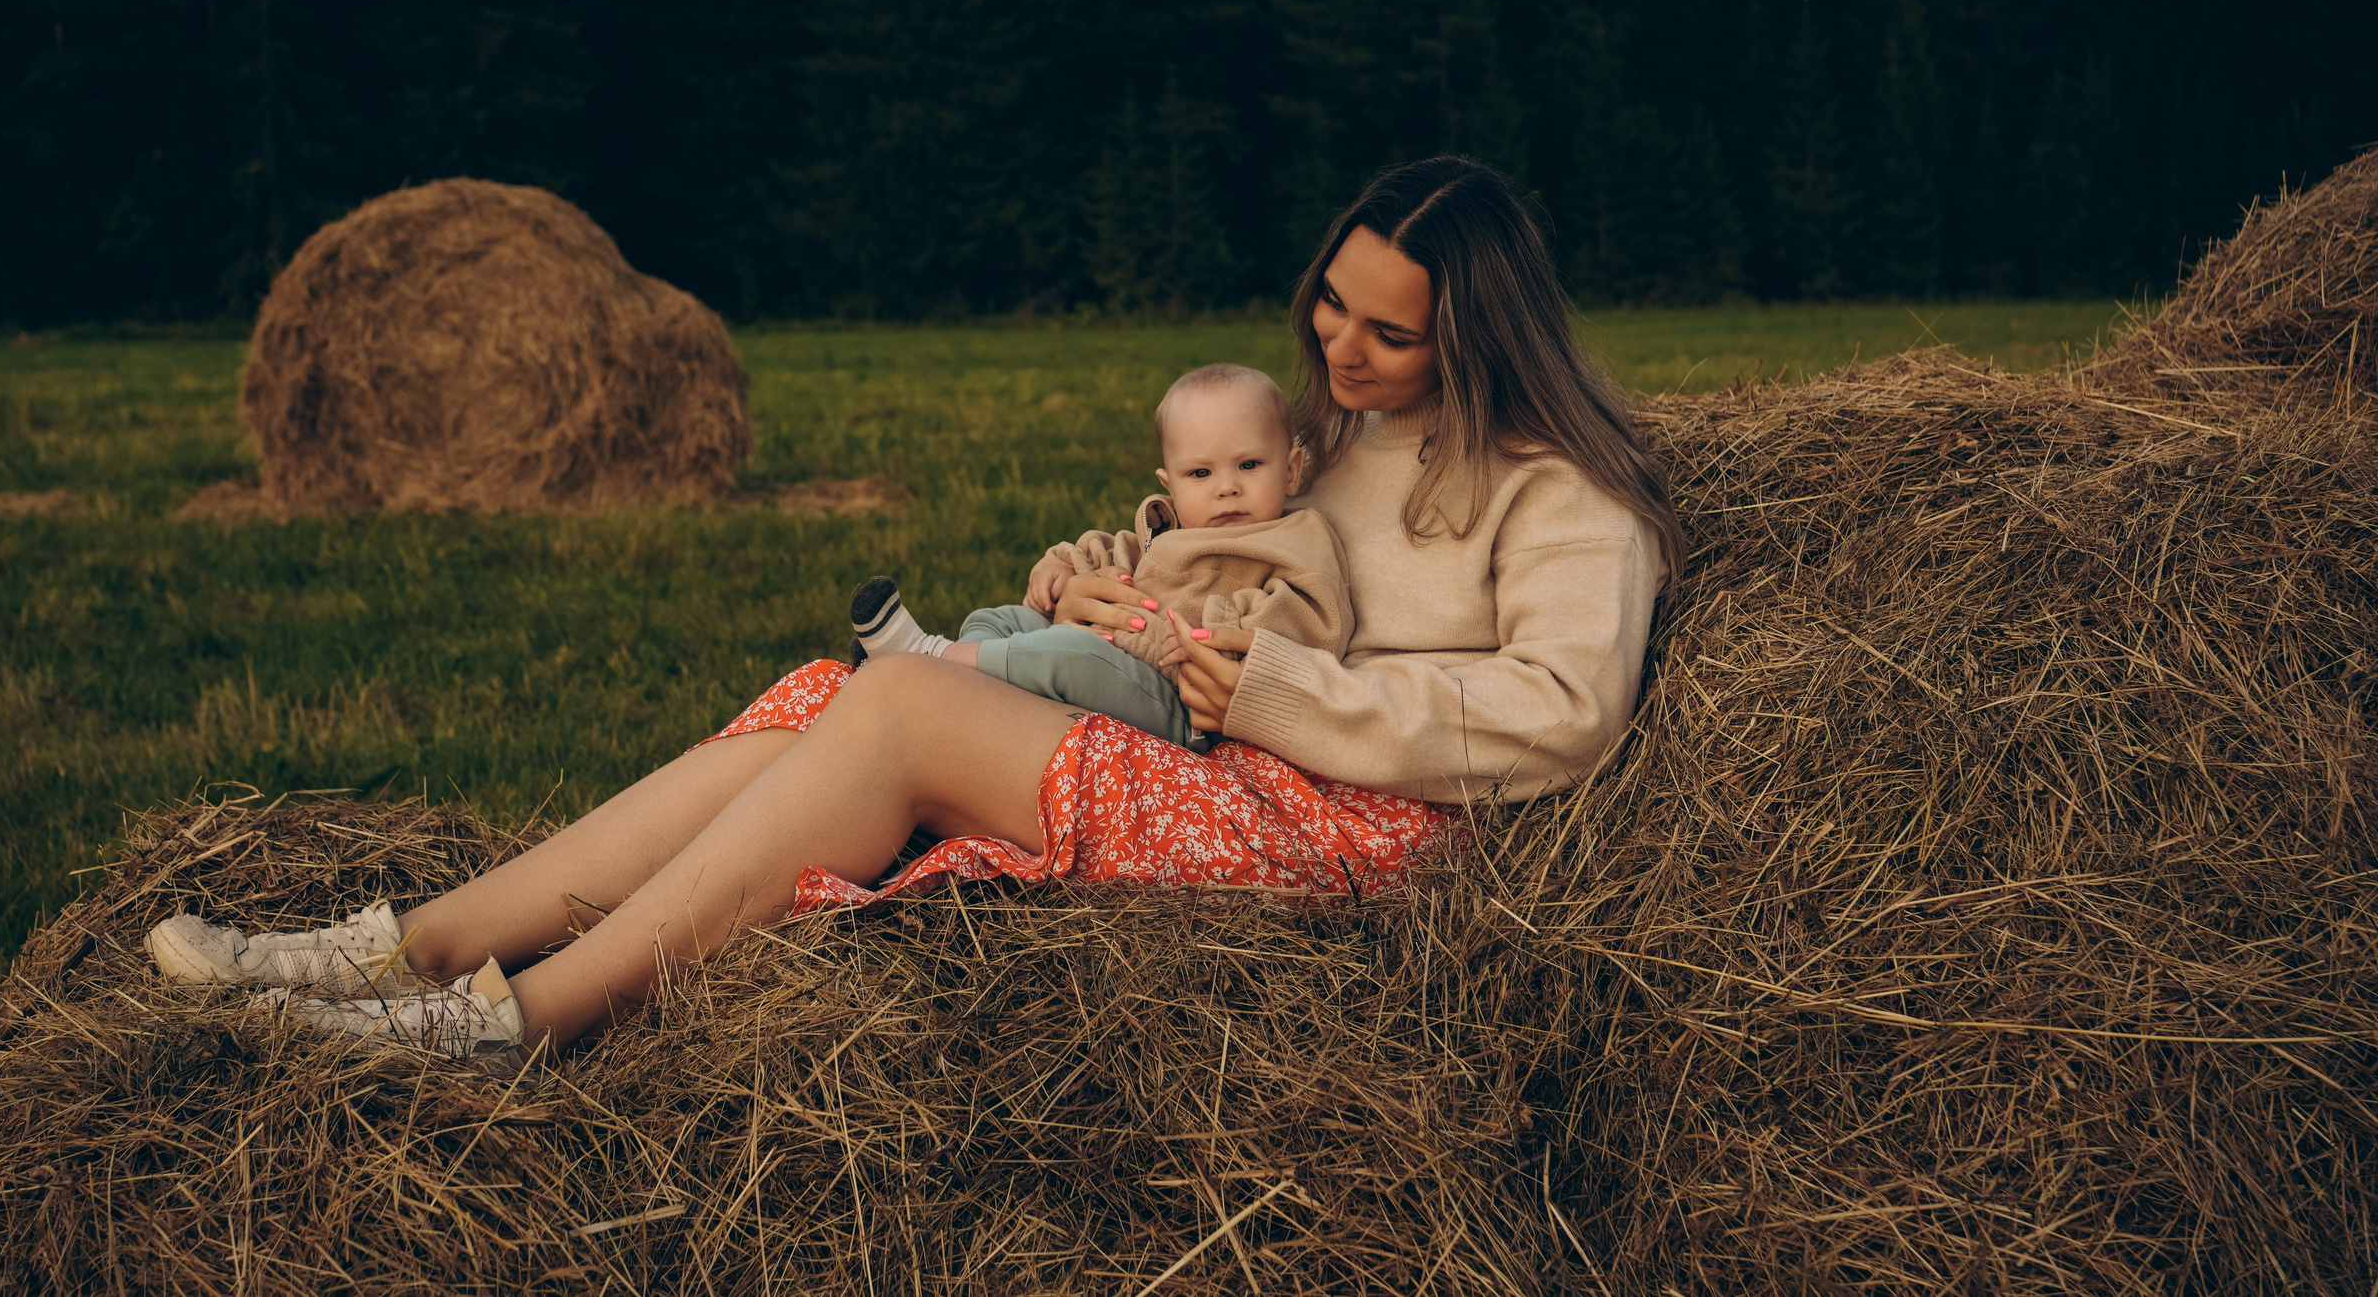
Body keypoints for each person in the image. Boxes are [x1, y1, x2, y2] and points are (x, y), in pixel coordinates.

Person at [146, 157, 1683, 1069]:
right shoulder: (1339, 428)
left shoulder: (1564, 500)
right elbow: (1240, 537)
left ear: (1476, 330)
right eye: (1329, 302)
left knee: (896, 703)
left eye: (1386, 329)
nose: (1337, 344)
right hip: (1225, 752)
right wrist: (1109, 568)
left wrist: (1271, 688)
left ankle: (515, 1025)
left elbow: (1562, 714)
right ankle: (405, 947)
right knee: (833, 691)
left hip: (1350, 825)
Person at [847, 361, 1355, 751]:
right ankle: (973, 685)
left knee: (1076, 656)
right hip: (1123, 657)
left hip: (1189, 707)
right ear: (1170, 486)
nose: (1226, 488)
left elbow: (1311, 623)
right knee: (999, 618)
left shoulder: (1293, 539)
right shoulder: (1171, 528)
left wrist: (1185, 636)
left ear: (1291, 470)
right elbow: (1110, 551)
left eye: (1248, 464)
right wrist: (1062, 567)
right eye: (1201, 474)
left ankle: (928, 663)